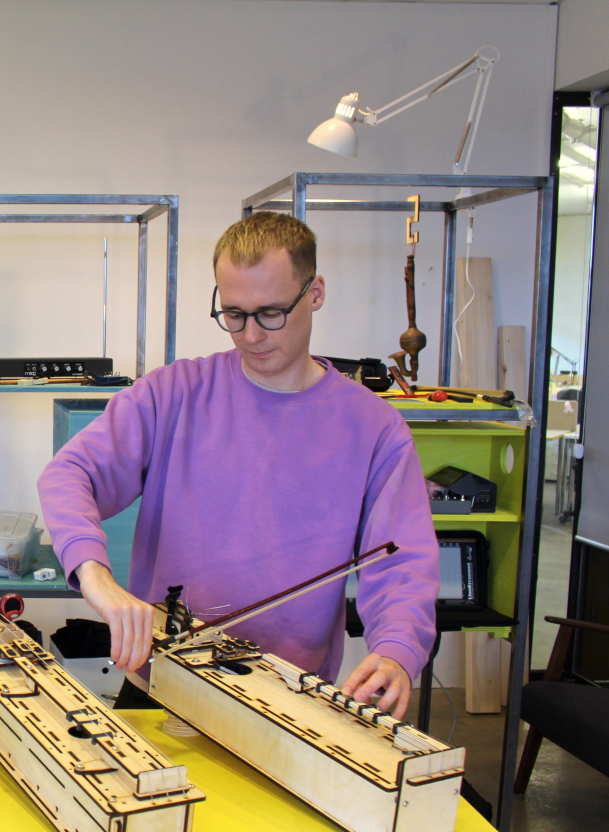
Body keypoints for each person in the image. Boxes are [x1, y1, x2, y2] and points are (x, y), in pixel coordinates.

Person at [36, 212, 438, 718]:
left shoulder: (373, 428)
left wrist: (397, 652)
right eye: (233, 313)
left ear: (314, 293)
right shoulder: (172, 394)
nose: (250, 335)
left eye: (270, 312)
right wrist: (96, 578)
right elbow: (69, 475)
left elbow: (401, 560)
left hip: (293, 698)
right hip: (166, 682)